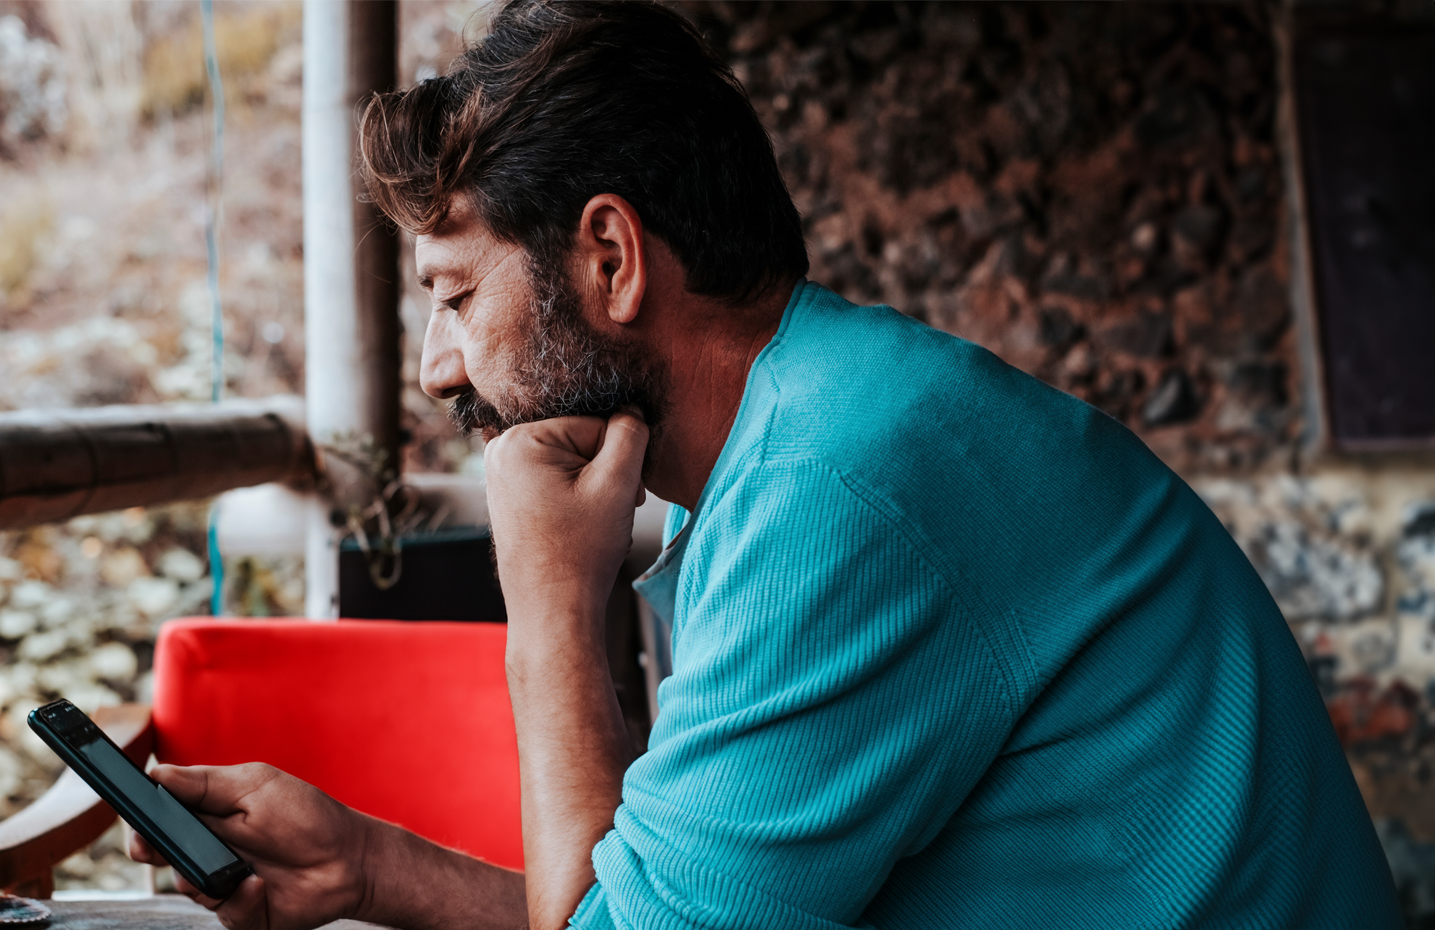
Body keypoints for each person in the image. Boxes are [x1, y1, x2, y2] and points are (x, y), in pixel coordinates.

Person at [128, 2, 1400, 927]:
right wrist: (362, 864)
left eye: (457, 297)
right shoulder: (815, 432)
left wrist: (549, 619)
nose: (437, 370)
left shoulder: (836, 493)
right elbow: (665, 909)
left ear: (609, 259)